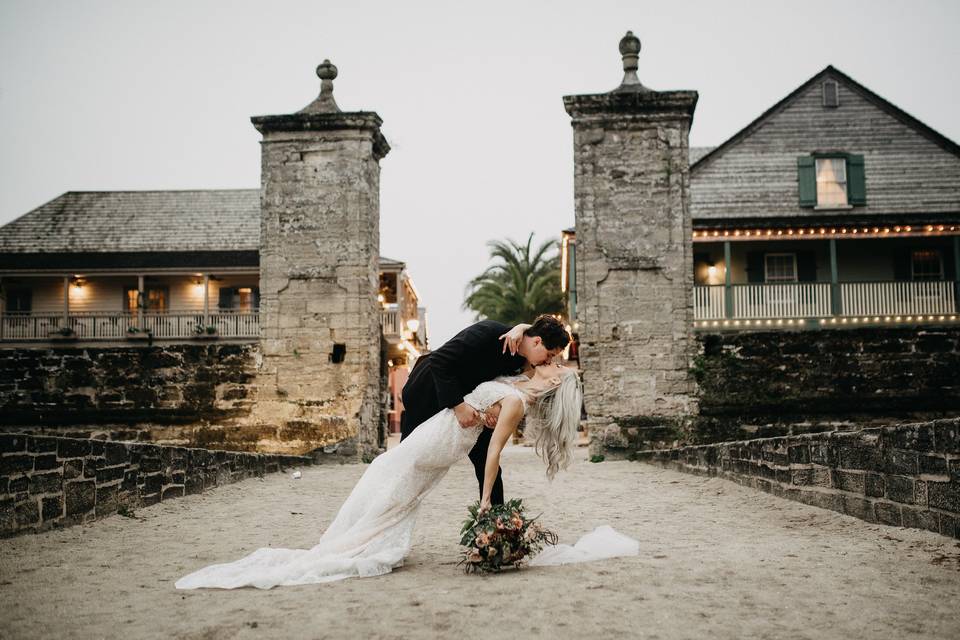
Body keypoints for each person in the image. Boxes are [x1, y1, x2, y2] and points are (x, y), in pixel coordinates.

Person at [175, 362, 582, 589]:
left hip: (441, 442)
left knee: (387, 471)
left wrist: (485, 500)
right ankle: (357, 542)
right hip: (440, 431)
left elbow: (493, 453)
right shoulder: (517, 380)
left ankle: (347, 545)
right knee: (393, 484)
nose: (554, 364)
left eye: (558, 367)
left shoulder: (515, 404)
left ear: (556, 383)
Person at [400, 315, 570, 506]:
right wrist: (459, 406)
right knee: (406, 461)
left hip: (472, 407)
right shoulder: (488, 333)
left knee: (487, 460)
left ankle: (497, 523)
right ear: (537, 342)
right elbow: (439, 361)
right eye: (548, 355)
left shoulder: (519, 359)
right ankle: (392, 504)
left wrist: (489, 412)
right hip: (427, 393)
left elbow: (495, 384)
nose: (548, 361)